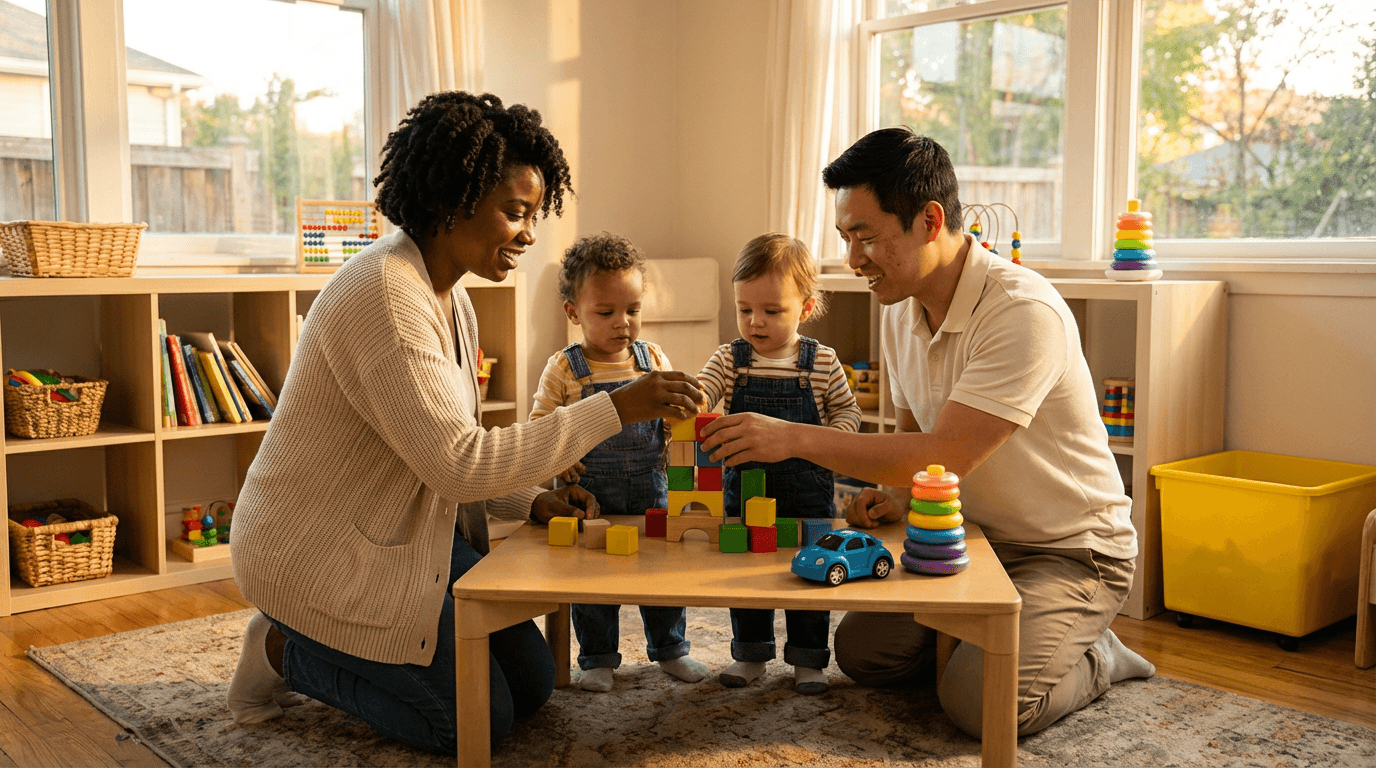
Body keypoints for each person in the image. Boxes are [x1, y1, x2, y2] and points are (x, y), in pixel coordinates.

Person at [226, 92, 705, 754]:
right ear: (455, 196)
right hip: (318, 551)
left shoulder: (449, 298)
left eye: (535, 214)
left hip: (401, 533)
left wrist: (532, 499)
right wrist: (618, 405)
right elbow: (459, 462)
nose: (531, 233)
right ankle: (282, 647)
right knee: (475, 721)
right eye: (516, 212)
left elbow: (443, 457)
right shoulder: (386, 296)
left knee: (532, 687)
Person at [700, 128, 1155, 736]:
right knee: (861, 654)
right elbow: (912, 448)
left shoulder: (1022, 312)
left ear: (929, 220)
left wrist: (793, 437)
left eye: (866, 237)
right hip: (966, 539)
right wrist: (891, 499)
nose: (852, 259)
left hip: (1068, 553)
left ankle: (1097, 655)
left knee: (979, 706)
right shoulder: (902, 309)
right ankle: (996, 643)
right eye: (844, 238)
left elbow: (943, 454)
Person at [530, 232, 709, 693]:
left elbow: (671, 424)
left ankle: (671, 649)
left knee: (661, 573)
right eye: (606, 313)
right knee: (592, 581)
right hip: (593, 497)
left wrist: (686, 417)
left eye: (633, 310)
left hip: (652, 488)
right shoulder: (565, 368)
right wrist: (561, 456)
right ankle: (597, 658)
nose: (623, 323)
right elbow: (539, 429)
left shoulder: (652, 360)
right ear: (573, 312)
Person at [695, 233, 862, 695]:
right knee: (748, 573)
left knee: (811, 571)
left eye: (772, 311)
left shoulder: (822, 362)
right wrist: (697, 399)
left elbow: (849, 413)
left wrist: (833, 440)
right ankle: (750, 654)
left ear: (805, 309)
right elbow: (706, 389)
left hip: (807, 491)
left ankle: (809, 660)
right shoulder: (730, 359)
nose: (755, 322)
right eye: (744, 309)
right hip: (746, 489)